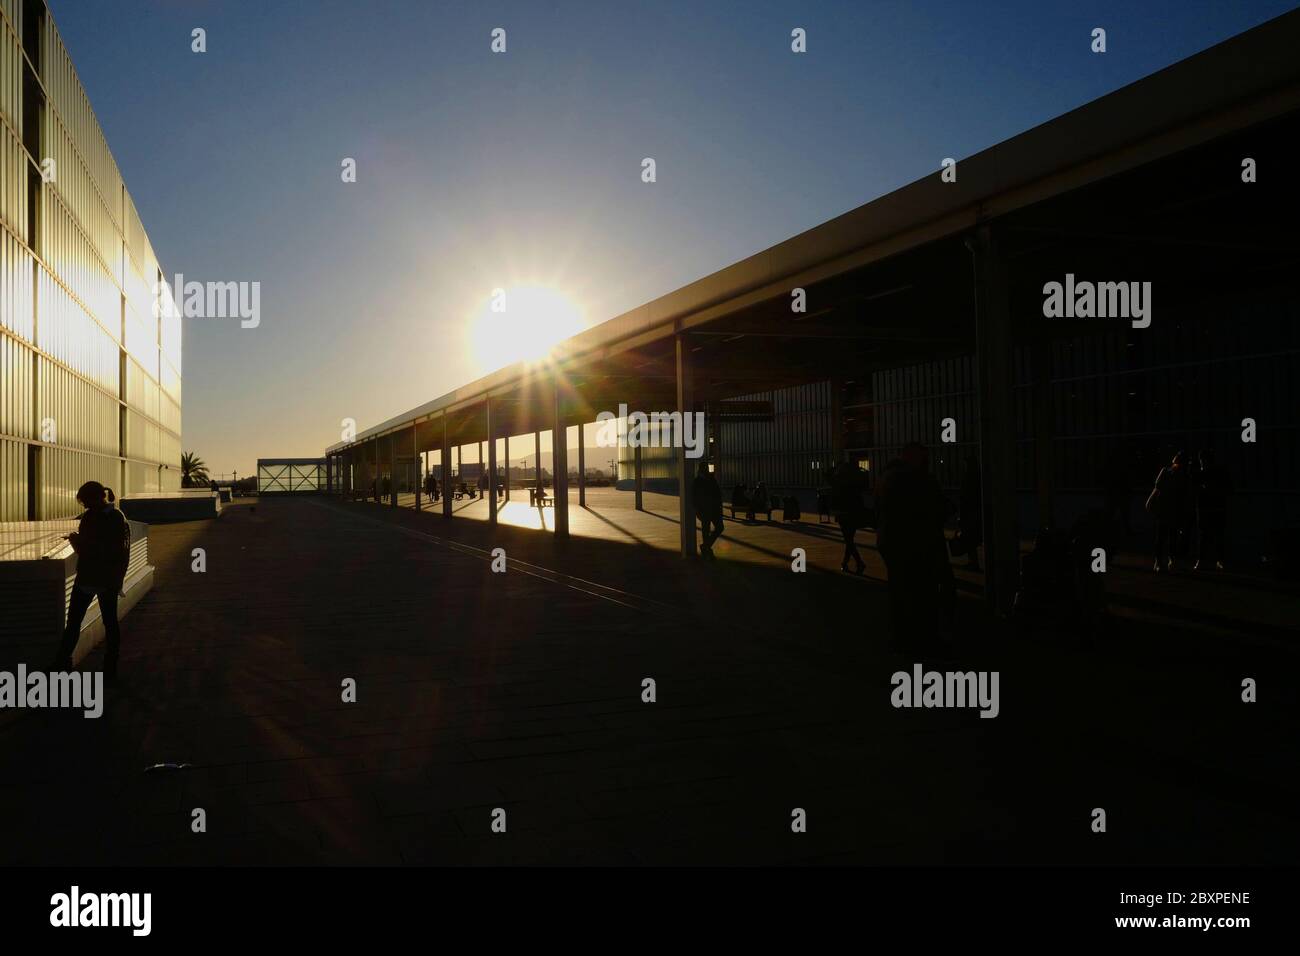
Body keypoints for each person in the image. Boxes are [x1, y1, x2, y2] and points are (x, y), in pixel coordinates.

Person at [52, 482, 131, 680]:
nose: (84, 505)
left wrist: (76, 540)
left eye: (85, 500)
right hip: (102, 579)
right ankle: (109, 669)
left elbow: (96, 549)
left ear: (95, 498)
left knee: (76, 623)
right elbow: (118, 551)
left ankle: (62, 664)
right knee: (109, 623)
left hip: (92, 577)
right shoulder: (114, 517)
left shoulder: (102, 518)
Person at [876, 444, 949, 648]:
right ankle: (925, 637)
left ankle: (900, 636)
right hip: (916, 542)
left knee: (899, 590)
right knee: (924, 591)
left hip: (890, 540)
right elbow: (938, 508)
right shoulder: (920, 479)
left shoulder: (887, 477)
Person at [1146, 450, 1188, 572]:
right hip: (1168, 507)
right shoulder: (1174, 473)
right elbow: (1157, 488)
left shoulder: (1168, 472)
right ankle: (1164, 561)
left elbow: (1157, 488)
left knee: (1166, 535)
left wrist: (1150, 501)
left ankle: (1163, 561)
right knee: (1166, 535)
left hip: (1168, 507)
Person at [1195, 449, 1232, 571]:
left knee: (1206, 536)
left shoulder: (1203, 474)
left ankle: (1204, 560)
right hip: (1215, 508)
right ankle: (1217, 560)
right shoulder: (1217, 473)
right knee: (1216, 535)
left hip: (1209, 508)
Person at [830, 459, 868, 574]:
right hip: (854, 514)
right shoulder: (854, 483)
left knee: (848, 540)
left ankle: (859, 562)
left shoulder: (839, 482)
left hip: (844, 514)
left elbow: (828, 475)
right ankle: (845, 562)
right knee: (849, 539)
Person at [691, 460, 724, 559]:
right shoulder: (697, 482)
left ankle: (705, 546)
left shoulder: (711, 478)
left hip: (714, 509)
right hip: (704, 510)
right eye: (705, 468)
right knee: (706, 531)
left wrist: (719, 507)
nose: (707, 470)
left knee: (720, 527)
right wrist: (697, 510)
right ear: (701, 470)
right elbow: (694, 497)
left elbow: (718, 494)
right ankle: (707, 550)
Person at [958, 454, 983, 571]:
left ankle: (973, 562)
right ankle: (974, 562)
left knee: (969, 538)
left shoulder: (968, 478)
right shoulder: (978, 477)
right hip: (975, 512)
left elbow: (965, 496)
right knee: (972, 538)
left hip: (969, 512)